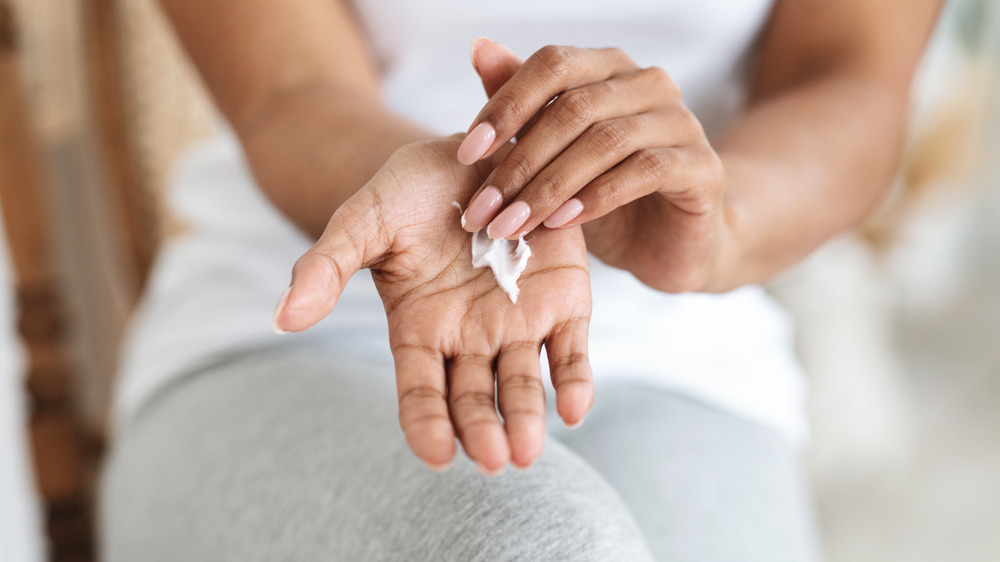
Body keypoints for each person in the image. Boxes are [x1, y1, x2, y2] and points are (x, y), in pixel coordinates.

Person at [100, 0, 941, 560]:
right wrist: (428, 194)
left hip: (689, 360)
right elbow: (287, 85)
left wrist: (722, 227)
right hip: (283, 336)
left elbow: (851, 75)